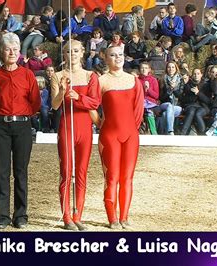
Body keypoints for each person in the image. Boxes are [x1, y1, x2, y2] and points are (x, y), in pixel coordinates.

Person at [0, 33, 41, 230]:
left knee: (21, 172)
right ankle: (3, 216)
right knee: (3, 172)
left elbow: (35, 101)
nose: (12, 52)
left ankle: (21, 215)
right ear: (0, 52)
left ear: (19, 52)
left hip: (22, 126)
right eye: (8, 49)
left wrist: (23, 114)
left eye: (15, 49)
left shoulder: (28, 74)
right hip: (0, 127)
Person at [50, 39, 100, 231]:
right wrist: (62, 91)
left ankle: (78, 214)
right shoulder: (58, 75)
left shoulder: (90, 76)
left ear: (82, 53)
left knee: (81, 172)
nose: (72, 54)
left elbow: (95, 103)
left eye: (76, 51)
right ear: (64, 55)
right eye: (68, 51)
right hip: (67, 126)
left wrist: (79, 97)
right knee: (66, 171)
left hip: (85, 128)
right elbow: (55, 105)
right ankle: (66, 216)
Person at [98, 45, 144, 229]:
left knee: (128, 177)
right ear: (106, 58)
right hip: (110, 135)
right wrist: (99, 122)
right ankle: (112, 218)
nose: (118, 58)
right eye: (113, 55)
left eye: (120, 55)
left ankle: (124, 216)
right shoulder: (101, 81)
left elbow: (138, 110)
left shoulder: (134, 80)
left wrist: (132, 129)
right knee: (112, 177)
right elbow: (92, 105)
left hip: (131, 135)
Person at [159, 61, 183, 135]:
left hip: (177, 106)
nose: (171, 69)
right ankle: (170, 131)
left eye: (173, 67)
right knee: (169, 106)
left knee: (165, 114)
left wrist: (174, 89)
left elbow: (181, 97)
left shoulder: (180, 80)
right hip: (164, 104)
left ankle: (163, 133)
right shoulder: (163, 79)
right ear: (166, 69)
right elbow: (161, 98)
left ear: (176, 68)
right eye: (169, 67)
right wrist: (169, 90)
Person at [179, 68, 206, 135]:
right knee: (191, 111)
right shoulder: (188, 85)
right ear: (192, 75)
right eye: (194, 74)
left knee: (198, 113)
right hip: (190, 105)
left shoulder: (205, 85)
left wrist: (198, 93)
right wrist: (193, 95)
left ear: (201, 75)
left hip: (202, 106)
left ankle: (203, 132)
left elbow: (208, 100)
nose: (196, 75)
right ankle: (183, 133)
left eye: (198, 74)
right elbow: (184, 99)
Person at [138, 61, 160, 135]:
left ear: (149, 69)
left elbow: (156, 96)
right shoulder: (137, 80)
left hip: (151, 103)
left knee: (149, 112)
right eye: (142, 68)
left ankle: (154, 132)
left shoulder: (153, 80)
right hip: (140, 102)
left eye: (146, 68)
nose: (144, 70)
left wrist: (148, 89)